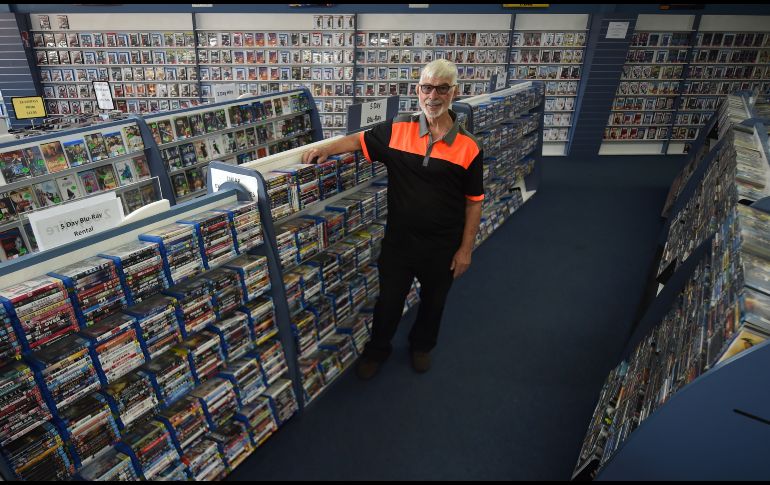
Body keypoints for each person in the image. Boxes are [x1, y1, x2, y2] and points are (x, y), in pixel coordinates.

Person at [301, 59, 483, 379]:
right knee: (388, 301)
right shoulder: (398, 130)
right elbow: (359, 141)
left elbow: (474, 203)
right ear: (418, 91)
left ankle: (421, 346)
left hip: (443, 246)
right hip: (399, 242)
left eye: (442, 88)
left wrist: (465, 249)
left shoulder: (469, 147)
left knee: (433, 302)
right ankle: (378, 350)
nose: (433, 96)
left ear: (454, 92)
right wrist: (327, 147)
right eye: (427, 88)